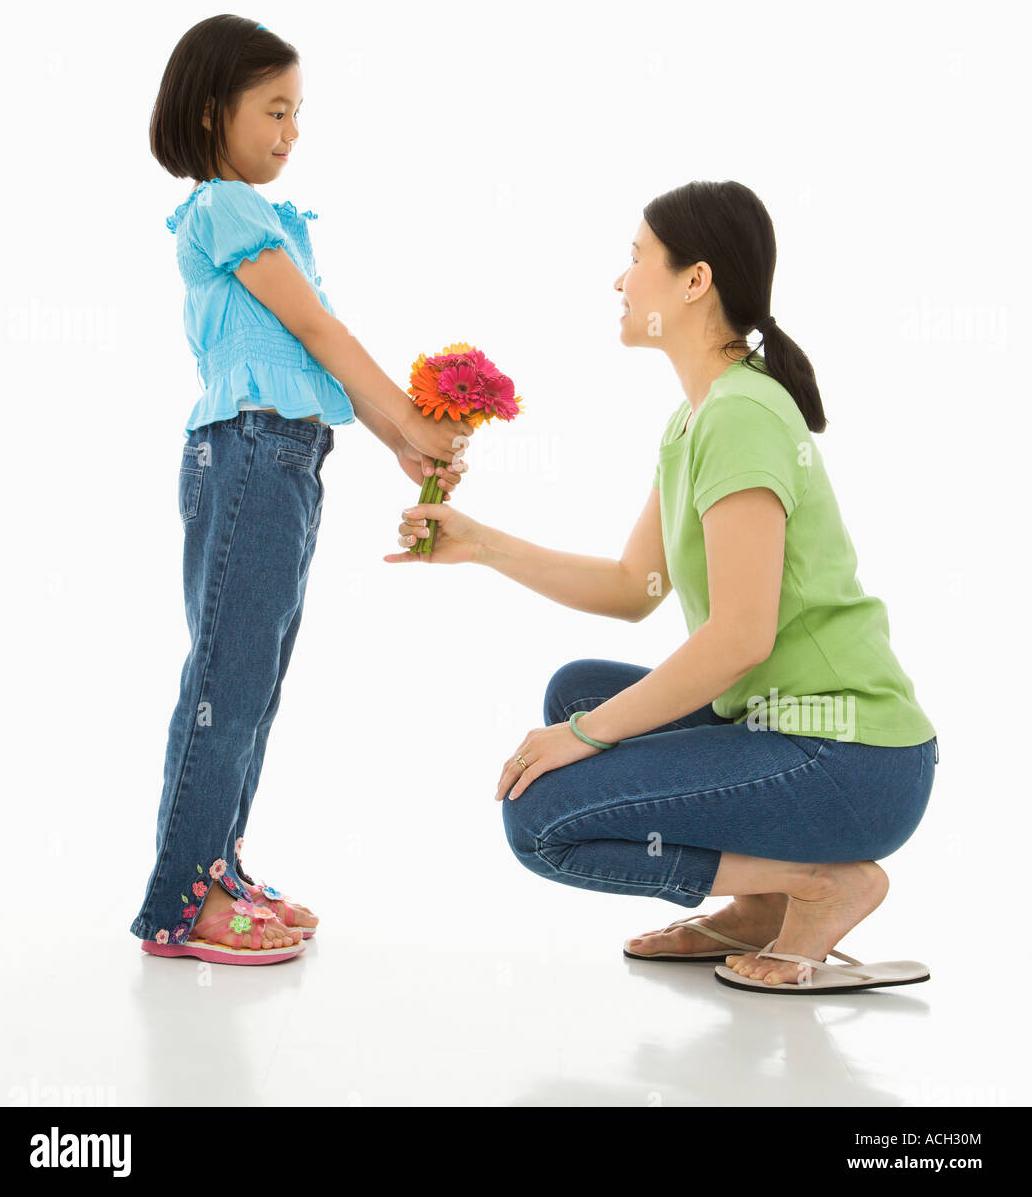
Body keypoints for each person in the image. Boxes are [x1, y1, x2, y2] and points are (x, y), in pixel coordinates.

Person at [389, 179, 939, 994]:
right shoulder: (694, 417)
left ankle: (820, 884)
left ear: (694, 280)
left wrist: (589, 738)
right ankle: (756, 903)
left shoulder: (741, 415)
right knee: (574, 691)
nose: (620, 280)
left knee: (542, 823)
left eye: (636, 257)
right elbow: (632, 588)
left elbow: (742, 636)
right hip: (782, 725)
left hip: (850, 758)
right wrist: (482, 545)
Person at [130, 14, 472, 964]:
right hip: (246, 453)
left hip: (282, 454)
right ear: (212, 112)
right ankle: (184, 898)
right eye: (273, 109)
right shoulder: (223, 204)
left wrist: (401, 443)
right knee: (227, 681)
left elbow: (308, 360)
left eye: (298, 112)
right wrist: (409, 421)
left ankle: (218, 869)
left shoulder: (266, 217)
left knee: (254, 679)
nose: (290, 130)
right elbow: (320, 333)